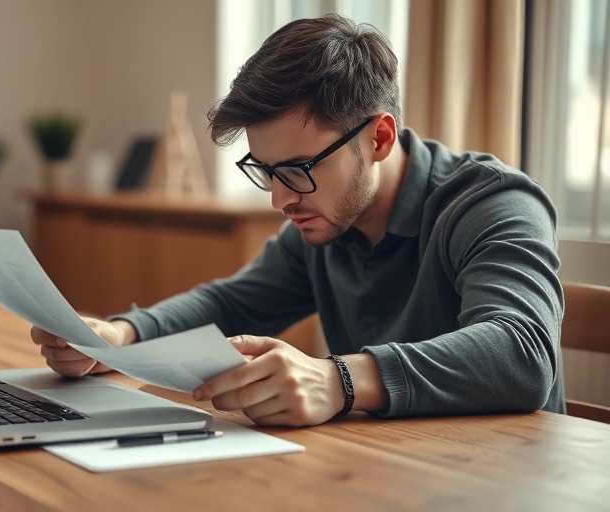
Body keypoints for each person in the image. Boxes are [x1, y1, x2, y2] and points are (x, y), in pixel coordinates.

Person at [31, 14, 564, 426]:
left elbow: (523, 352)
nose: (279, 200)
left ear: (378, 138)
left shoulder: (492, 204)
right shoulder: (323, 220)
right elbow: (230, 303)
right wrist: (121, 337)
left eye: (298, 169)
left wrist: (338, 381)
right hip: (390, 471)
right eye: (265, 171)